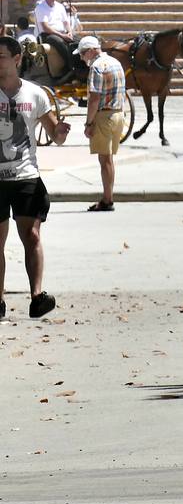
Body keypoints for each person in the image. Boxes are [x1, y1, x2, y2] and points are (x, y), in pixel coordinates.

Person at [0, 36, 69, 320]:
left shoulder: (35, 94)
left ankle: (37, 297)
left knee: (32, 235)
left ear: (17, 59)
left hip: (27, 176)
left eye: (1, 55)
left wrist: (61, 132)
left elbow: (54, 133)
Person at [77, 36, 126, 212]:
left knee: (104, 160)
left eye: (83, 54)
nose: (82, 58)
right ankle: (108, 197)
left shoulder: (97, 67)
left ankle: (107, 199)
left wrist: (88, 123)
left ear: (90, 51)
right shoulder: (115, 62)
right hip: (118, 114)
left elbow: (94, 99)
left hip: (104, 116)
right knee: (109, 159)